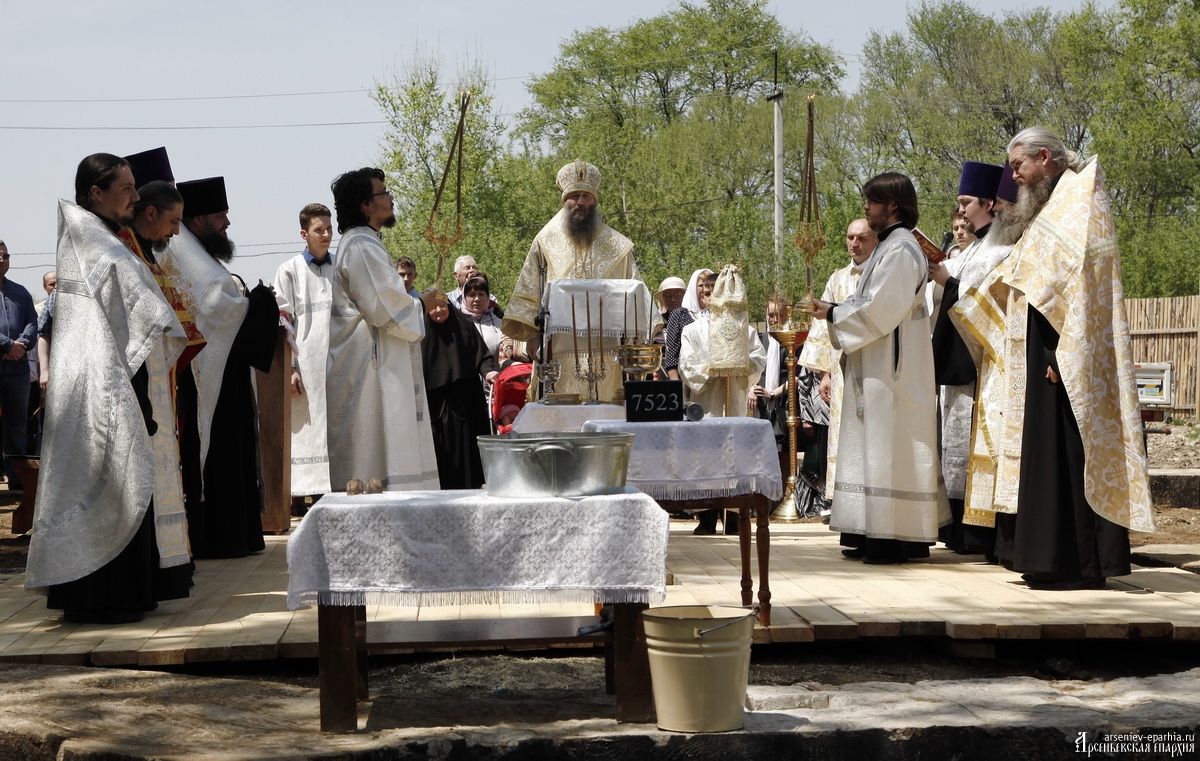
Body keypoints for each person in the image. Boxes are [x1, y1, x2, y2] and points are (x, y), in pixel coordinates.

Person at [952, 128, 1154, 589]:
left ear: (1044, 157)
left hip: (1065, 352)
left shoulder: (1078, 201)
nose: (1014, 176)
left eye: (1018, 166)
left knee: (1068, 451)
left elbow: (1081, 288)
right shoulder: (1052, 204)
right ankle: (1048, 558)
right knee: (1047, 454)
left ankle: (1077, 562)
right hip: (1042, 348)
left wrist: (1065, 355)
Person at [27, 153, 191, 623]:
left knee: (115, 481)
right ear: (96, 193)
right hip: (103, 384)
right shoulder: (91, 241)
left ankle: (111, 594)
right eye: (127, 188)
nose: (135, 197)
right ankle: (104, 597)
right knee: (112, 479)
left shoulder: (97, 237)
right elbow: (140, 305)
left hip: (110, 376)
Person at [808, 173, 947, 564]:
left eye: (871, 202)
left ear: (893, 206)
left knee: (890, 446)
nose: (866, 209)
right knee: (875, 445)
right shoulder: (889, 246)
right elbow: (868, 301)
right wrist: (835, 310)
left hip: (893, 370)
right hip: (878, 361)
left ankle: (894, 537)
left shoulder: (901, 249)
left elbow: (881, 309)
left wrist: (833, 314)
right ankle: (869, 531)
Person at [162, 176, 278, 559]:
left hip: (225, 369)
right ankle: (221, 537)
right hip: (206, 377)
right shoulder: (184, 253)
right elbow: (215, 309)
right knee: (219, 452)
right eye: (220, 215)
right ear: (196, 219)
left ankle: (239, 533)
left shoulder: (198, 253)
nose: (227, 223)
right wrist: (258, 303)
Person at [502, 159, 654, 402]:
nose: (580, 202)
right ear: (564, 201)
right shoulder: (545, 240)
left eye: (586, 196)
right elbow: (530, 289)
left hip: (609, 346)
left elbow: (636, 293)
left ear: (595, 201)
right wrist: (531, 337)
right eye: (574, 196)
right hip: (558, 347)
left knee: (608, 406)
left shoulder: (618, 246)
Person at [326, 167, 439, 491]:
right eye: (384, 192)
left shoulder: (366, 242)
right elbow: (383, 307)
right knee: (373, 466)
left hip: (375, 366)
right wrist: (422, 303)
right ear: (366, 205)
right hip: (367, 373)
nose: (391, 198)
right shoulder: (360, 246)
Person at [927, 161, 1003, 556]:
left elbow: (990, 302)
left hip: (984, 365)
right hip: (958, 362)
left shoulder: (1003, 247)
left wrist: (950, 283)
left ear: (988, 204)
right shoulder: (974, 248)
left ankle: (978, 533)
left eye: (966, 202)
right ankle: (955, 528)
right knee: (953, 446)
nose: (961, 210)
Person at [799, 219, 876, 503]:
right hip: (841, 370)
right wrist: (825, 375)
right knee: (843, 430)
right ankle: (844, 499)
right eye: (850, 237)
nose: (854, 243)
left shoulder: (881, 274)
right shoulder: (837, 278)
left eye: (861, 238)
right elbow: (821, 326)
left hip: (873, 366)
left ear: (875, 241)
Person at [273, 203, 339, 501]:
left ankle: (338, 486)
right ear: (304, 234)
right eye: (319, 229)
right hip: (306, 364)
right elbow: (282, 323)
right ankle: (303, 495)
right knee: (306, 428)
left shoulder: (341, 268)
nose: (326, 235)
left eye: (329, 228)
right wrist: (290, 368)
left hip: (341, 361)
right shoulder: (289, 270)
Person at [422, 292, 498, 489]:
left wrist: (488, 372)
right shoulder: (420, 334)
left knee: (467, 451)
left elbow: (482, 356)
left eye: (442, 306)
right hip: (435, 407)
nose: (438, 310)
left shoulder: (464, 327)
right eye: (433, 307)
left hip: (465, 403)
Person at [0, 239, 36, 491]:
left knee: (17, 427)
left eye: (6, 255)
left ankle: (17, 482)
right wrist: (6, 345)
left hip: (17, 369)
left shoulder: (21, 292)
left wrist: (21, 344)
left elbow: (33, 323)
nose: (3, 260)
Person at [663, 269, 714, 380]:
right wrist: (676, 386)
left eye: (710, 286)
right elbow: (671, 356)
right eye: (701, 285)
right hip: (687, 381)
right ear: (693, 288)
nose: (705, 289)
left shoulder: (717, 316)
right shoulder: (680, 314)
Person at [461, 273, 504, 359]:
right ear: (464, 298)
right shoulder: (457, 322)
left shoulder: (499, 323)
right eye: (472, 295)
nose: (477, 299)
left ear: (488, 297)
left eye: (481, 294)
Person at [653, 276, 686, 342]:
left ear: (685, 295)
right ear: (663, 298)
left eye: (678, 294)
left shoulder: (694, 319)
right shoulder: (657, 322)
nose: (673, 299)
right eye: (668, 295)